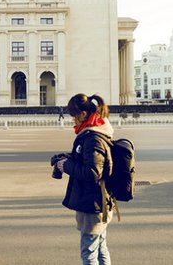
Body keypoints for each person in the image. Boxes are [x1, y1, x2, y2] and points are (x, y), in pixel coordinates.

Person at [55, 93, 114, 265]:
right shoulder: (97, 132)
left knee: (89, 254)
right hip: (99, 201)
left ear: (82, 114)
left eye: (74, 116)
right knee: (101, 247)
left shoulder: (93, 138)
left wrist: (65, 166)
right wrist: (69, 158)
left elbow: (92, 172)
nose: (73, 120)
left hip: (92, 204)